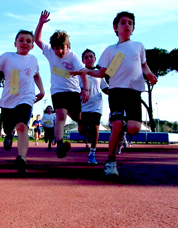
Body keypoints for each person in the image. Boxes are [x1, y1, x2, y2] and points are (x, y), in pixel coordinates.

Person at [71, 11, 157, 176]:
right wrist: (84, 71)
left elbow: (144, 65)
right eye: (123, 22)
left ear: (133, 28)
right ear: (115, 28)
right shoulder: (111, 50)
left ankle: (123, 129)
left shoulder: (139, 46)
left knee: (134, 129)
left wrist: (150, 74)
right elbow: (102, 73)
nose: (127, 25)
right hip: (116, 91)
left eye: (130, 23)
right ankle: (111, 162)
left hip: (134, 92)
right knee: (116, 126)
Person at [0, 30, 45, 174]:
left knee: (22, 126)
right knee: (8, 127)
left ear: (32, 46)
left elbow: (36, 75)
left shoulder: (33, 60)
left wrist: (42, 91)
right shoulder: (7, 57)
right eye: (21, 40)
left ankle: (21, 157)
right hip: (8, 100)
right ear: (15, 43)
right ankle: (8, 134)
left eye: (28, 41)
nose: (25, 43)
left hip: (26, 98)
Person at [34, 10, 89, 159]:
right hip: (58, 91)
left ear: (67, 46)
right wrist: (41, 23)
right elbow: (37, 40)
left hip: (73, 91)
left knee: (78, 119)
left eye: (61, 48)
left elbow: (83, 72)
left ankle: (83, 127)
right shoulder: (51, 52)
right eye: (56, 48)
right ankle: (59, 144)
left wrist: (86, 89)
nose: (58, 51)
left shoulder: (73, 56)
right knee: (60, 115)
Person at [78, 49, 109, 164]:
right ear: (83, 60)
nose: (89, 59)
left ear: (95, 59)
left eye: (91, 56)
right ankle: (86, 134)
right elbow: (76, 88)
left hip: (97, 104)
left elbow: (105, 87)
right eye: (86, 57)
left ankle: (92, 153)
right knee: (81, 130)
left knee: (95, 127)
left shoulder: (99, 73)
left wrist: (112, 91)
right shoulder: (80, 73)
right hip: (83, 105)